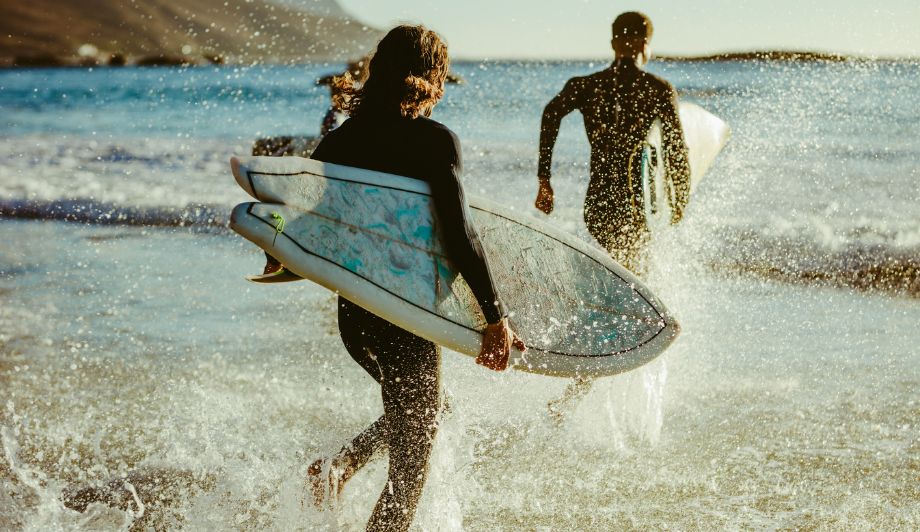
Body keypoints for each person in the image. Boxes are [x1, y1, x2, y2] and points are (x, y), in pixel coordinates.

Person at [303, 25, 525, 531]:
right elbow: (459, 235)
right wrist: (497, 317)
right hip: (407, 317)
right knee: (411, 469)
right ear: (433, 79)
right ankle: (350, 481)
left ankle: (339, 466)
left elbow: (312, 225)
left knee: (419, 413)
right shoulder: (434, 141)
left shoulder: (340, 139)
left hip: (356, 314)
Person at [535, 12, 691, 417]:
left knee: (620, 293)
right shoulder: (657, 89)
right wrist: (679, 201)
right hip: (633, 211)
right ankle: (575, 392)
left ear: (613, 43)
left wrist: (544, 180)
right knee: (633, 300)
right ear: (645, 45)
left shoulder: (588, 86)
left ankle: (585, 380)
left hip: (598, 207)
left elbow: (551, 113)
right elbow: (677, 151)